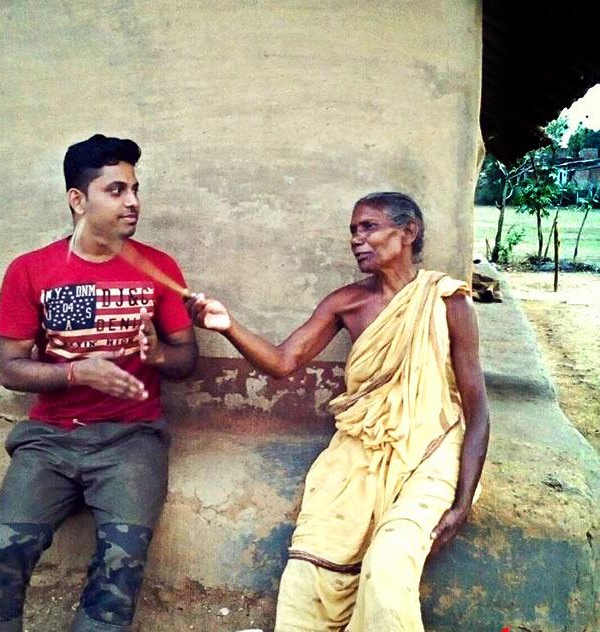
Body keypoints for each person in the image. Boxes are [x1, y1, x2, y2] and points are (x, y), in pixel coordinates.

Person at [188, 192, 490, 631]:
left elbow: (478, 408)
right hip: (360, 455)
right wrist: (227, 325)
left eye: (369, 227)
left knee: (388, 567)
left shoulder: (447, 302)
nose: (356, 239)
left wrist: (462, 502)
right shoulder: (346, 303)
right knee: (311, 570)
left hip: (431, 451)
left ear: (408, 232)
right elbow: (283, 362)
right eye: (353, 230)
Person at [0, 134, 198, 632]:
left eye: (135, 189)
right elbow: (10, 367)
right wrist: (75, 372)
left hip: (131, 439)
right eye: (116, 190)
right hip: (49, 440)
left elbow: (186, 358)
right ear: (78, 199)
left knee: (121, 568)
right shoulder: (32, 270)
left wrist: (158, 354)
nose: (132, 201)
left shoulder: (160, 268)